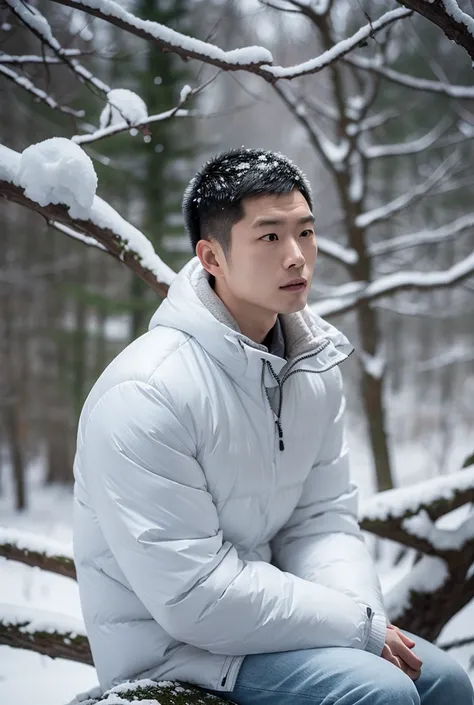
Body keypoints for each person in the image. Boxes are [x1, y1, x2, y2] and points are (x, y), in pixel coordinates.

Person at [73, 148, 473, 705]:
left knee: (446, 682)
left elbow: (320, 523)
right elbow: (192, 595)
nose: (297, 258)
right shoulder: (146, 392)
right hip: (177, 649)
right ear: (211, 256)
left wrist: (360, 622)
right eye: (269, 237)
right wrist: (354, 630)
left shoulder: (310, 368)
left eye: (305, 233)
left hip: (271, 630)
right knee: (381, 693)